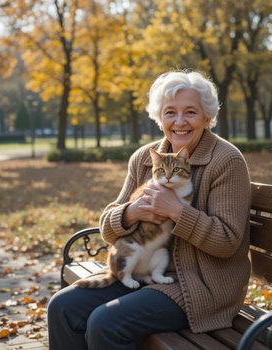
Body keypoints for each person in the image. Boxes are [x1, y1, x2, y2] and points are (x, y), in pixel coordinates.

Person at [47, 70, 251, 350]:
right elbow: (107, 227)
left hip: (197, 286)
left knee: (106, 322)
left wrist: (178, 211)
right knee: (62, 306)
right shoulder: (145, 158)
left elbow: (228, 241)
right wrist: (131, 213)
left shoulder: (226, 161)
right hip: (142, 271)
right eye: (170, 112)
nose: (180, 122)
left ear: (207, 117)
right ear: (160, 118)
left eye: (190, 112)